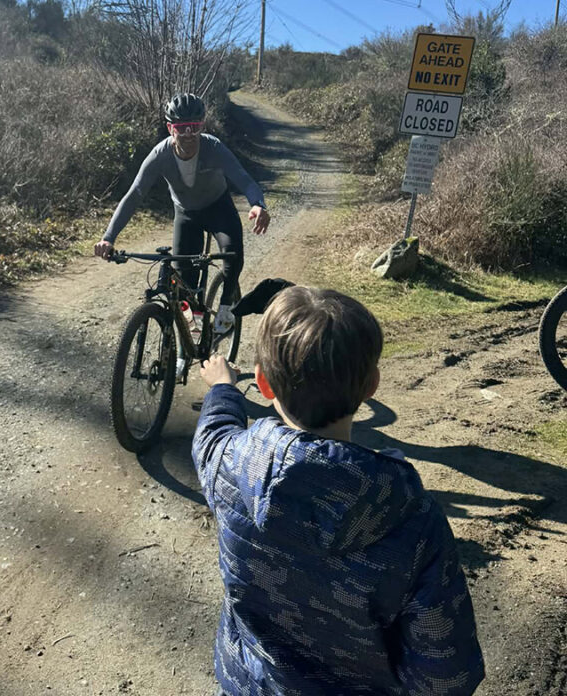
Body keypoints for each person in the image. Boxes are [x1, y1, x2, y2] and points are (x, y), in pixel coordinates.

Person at [195, 286, 485, 696]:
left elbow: (211, 435)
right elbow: (444, 675)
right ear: (372, 385)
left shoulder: (229, 464)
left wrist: (222, 388)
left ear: (262, 383)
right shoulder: (413, 519)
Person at [93, 92, 270, 339]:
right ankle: (191, 337)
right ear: (170, 128)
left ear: (202, 126)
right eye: (181, 127)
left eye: (194, 127)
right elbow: (134, 195)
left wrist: (258, 204)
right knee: (184, 286)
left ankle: (227, 306)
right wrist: (108, 237)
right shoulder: (160, 155)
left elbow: (245, 180)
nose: (188, 134)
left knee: (233, 255)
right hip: (186, 214)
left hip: (219, 209)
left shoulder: (214, 147)